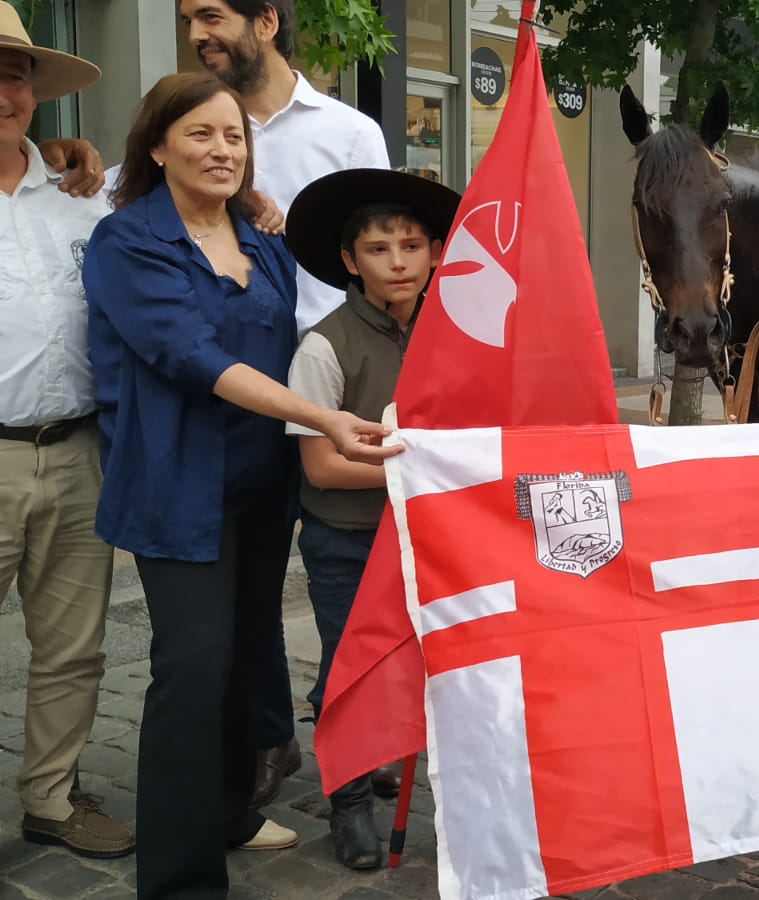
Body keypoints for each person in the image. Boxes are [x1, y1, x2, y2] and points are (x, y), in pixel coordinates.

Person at [82, 71, 397, 899]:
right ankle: (181, 877)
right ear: (156, 145)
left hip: (260, 484)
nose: (222, 150)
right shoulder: (128, 243)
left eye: (233, 136)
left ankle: (228, 810)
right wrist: (322, 418)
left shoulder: (262, 240)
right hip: (174, 483)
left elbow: (291, 335)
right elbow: (194, 357)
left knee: (246, 656)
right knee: (190, 667)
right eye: (200, 134)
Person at [177, 0, 393, 805]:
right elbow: (135, 205)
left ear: (265, 21)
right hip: (243, 392)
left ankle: (366, 720)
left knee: (354, 569)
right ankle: (272, 737)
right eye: (189, 21)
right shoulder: (192, 127)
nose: (199, 35)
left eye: (212, 15)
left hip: (346, 381)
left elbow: (384, 240)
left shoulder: (348, 131)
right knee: (255, 582)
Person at [280, 168, 460, 870]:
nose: (398, 262)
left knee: (423, 660)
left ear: (436, 253)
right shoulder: (324, 348)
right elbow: (321, 468)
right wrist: (414, 475)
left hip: (431, 539)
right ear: (351, 262)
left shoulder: (454, 335)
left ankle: (395, 761)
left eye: (411, 246)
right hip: (348, 539)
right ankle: (349, 802)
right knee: (349, 668)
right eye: (379, 250)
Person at [0, 4, 134, 860]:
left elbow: (180, 208)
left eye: (13, 75)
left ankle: (51, 795)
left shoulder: (84, 197)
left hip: (79, 451)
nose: (2, 93)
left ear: (35, 94)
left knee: (73, 649)